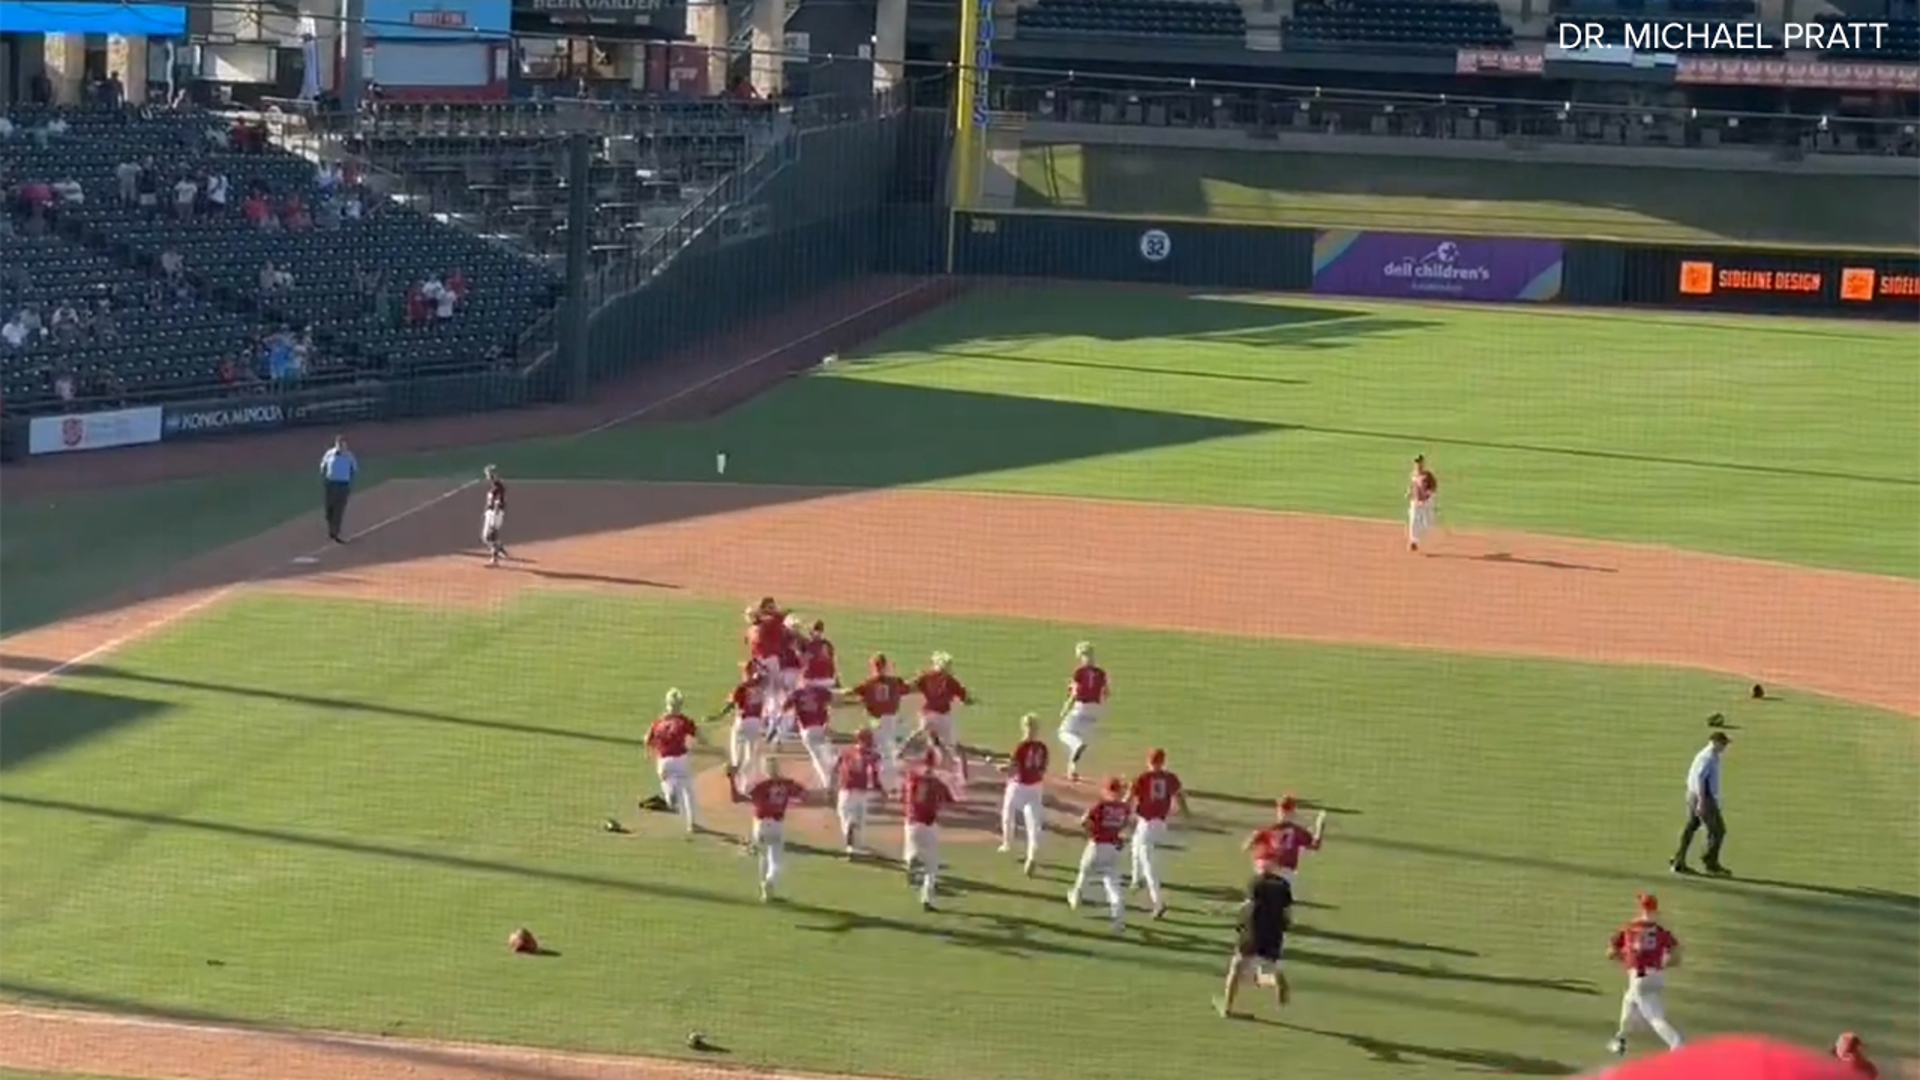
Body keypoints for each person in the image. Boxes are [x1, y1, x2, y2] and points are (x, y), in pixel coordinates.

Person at [1607, 891, 1685, 1056]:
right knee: (1629, 1002)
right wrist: (1661, 965)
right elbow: (1677, 957)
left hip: (1639, 976)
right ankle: (1620, 1039)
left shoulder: (1628, 928)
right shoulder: (1660, 930)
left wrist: (1627, 959)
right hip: (1656, 976)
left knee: (1654, 1017)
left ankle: (1676, 1044)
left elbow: (1611, 952)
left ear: (1640, 908)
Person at [1216, 865, 1294, 1018]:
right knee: (1260, 974)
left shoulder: (1256, 882)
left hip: (1253, 931)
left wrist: (1235, 919)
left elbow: (1249, 906)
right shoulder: (1284, 885)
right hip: (1273, 933)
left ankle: (1227, 1008)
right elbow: (1288, 914)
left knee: (1236, 967)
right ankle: (1274, 980)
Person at [1128, 748, 1189, 920]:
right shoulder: (1170, 778)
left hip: (1147, 823)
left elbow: (1128, 799)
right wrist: (1186, 814)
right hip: (1160, 823)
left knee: (1149, 865)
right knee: (1135, 844)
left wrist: (1120, 812)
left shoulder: (1142, 778)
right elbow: (1180, 797)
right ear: (1163, 761)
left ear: (1148, 761)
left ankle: (1158, 902)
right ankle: (1135, 878)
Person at [1069, 777, 1131, 933]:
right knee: (1113, 884)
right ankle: (1118, 920)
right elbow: (1124, 824)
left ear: (1107, 790)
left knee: (1084, 871)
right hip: (1113, 848)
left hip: (1097, 844)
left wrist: (1092, 832)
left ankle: (1076, 896)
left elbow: (1084, 821)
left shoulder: (1101, 806)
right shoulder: (1124, 808)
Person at [902, 748, 960, 911]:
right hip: (928, 824)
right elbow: (951, 801)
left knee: (911, 849)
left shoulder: (911, 778)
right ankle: (927, 898)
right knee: (932, 866)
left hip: (911, 823)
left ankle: (912, 860)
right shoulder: (937, 782)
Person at [745, 759, 808, 903]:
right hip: (776, 824)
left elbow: (745, 795)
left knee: (763, 857)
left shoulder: (760, 785)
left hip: (759, 824)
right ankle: (770, 881)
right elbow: (804, 794)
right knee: (776, 861)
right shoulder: (787, 783)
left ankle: (765, 891)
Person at [707, 662, 770, 800]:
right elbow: (766, 674)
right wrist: (759, 664)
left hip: (743, 723)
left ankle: (735, 784)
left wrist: (717, 716)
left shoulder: (741, 688)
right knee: (751, 755)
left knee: (737, 757)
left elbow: (730, 705)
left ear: (745, 673)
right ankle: (746, 785)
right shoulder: (761, 685)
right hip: (756, 724)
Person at [1672, 731, 1731, 876]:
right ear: (1715, 742)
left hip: (1694, 795)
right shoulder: (1708, 757)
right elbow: (1700, 778)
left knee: (1691, 826)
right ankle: (1710, 863)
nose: (1725, 747)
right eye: (1723, 743)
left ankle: (1678, 860)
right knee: (1718, 830)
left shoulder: (1711, 756)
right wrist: (1702, 802)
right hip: (1702, 797)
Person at [998, 713, 1049, 875]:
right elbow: (1043, 767)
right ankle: (1032, 856)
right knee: (1034, 824)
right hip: (1036, 786)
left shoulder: (1021, 746)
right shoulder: (1042, 747)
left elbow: (1013, 768)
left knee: (1008, 812)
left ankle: (1007, 843)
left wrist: (1002, 769)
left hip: (1019, 786)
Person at [644, 689, 700, 835]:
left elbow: (646, 740)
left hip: (663, 762)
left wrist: (648, 754)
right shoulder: (684, 721)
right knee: (688, 791)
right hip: (680, 759)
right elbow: (700, 736)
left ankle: (669, 796)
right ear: (680, 704)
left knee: (668, 783)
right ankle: (691, 823)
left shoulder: (658, 722)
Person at [1057, 641, 1109, 782]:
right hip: (1096, 710)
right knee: (1080, 737)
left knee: (1064, 733)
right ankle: (1072, 770)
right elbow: (1106, 693)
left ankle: (1077, 745)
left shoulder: (1079, 672)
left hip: (1081, 707)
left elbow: (1075, 693)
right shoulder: (1101, 673)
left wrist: (1065, 708)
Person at [1245, 796, 1325, 885]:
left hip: (1280, 871)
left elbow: (1315, 845)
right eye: (1282, 810)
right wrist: (1319, 827)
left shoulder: (1293, 831)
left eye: (1286, 811)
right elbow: (1247, 846)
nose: (1283, 814)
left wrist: (1320, 828)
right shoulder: (1270, 829)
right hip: (1276, 870)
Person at [833, 728, 885, 855]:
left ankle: (854, 846)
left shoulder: (846, 752)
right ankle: (853, 847)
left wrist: (831, 787)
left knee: (848, 818)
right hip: (860, 791)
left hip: (845, 790)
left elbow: (835, 769)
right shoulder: (874, 756)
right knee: (857, 820)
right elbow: (874, 774)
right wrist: (880, 790)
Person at [319, 435, 357, 542]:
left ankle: (335, 532)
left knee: (339, 510)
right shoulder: (329, 454)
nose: (341, 447)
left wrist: (349, 481)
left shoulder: (349, 456)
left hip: (343, 485)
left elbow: (354, 469)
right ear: (336, 444)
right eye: (339, 444)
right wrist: (324, 477)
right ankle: (332, 526)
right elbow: (323, 465)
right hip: (330, 484)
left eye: (343, 445)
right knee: (329, 509)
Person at [1407, 453, 1439, 551]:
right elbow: (1412, 485)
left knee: (1428, 523)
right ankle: (1413, 541)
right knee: (1413, 520)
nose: (1418, 464)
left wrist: (1429, 494)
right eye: (1416, 462)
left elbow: (1434, 486)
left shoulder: (1427, 475)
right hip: (1415, 501)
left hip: (1427, 502)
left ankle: (1418, 534)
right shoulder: (1413, 474)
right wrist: (1409, 493)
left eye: (1420, 462)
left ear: (1423, 463)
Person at [480, 464, 508, 566]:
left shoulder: (498, 487)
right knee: (487, 537)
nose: (487, 476)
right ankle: (499, 547)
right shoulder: (494, 486)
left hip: (495, 513)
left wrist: (494, 516)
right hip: (491, 513)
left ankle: (494, 559)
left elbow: (498, 502)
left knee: (490, 536)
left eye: (488, 474)